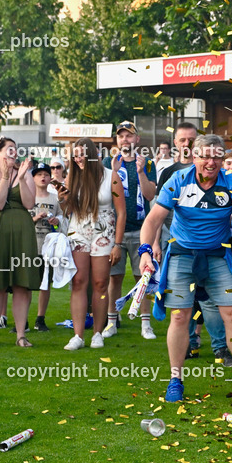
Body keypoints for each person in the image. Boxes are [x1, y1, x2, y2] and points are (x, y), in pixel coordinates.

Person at [138, 134, 232, 402]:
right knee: (179, 317)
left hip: (218, 255)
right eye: (205, 156)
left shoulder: (231, 183)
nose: (211, 162)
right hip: (182, 255)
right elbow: (153, 220)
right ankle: (175, 380)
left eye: (217, 156)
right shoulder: (178, 180)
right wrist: (145, 251)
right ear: (194, 156)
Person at [154, 123, 232, 364]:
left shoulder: (225, 179)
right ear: (176, 143)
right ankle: (188, 345)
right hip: (178, 245)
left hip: (213, 250)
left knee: (212, 302)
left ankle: (221, 347)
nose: (186, 144)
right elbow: (155, 214)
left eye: (191, 139)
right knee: (181, 308)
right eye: (182, 140)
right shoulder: (171, 174)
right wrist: (153, 244)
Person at [57, 139, 124, 350]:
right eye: (75, 155)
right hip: (78, 229)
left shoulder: (111, 177)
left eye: (82, 155)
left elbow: (121, 212)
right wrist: (62, 199)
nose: (78, 159)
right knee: (78, 281)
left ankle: (97, 333)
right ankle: (78, 336)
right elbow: (67, 211)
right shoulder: (72, 177)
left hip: (104, 230)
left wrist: (118, 244)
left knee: (100, 282)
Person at [0, 137, 40, 347]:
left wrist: (21, 178)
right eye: (9, 149)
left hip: (23, 233)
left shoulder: (25, 173)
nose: (14, 153)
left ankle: (21, 334)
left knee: (22, 285)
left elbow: (29, 203)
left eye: (15, 149)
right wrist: (5, 177)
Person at [104, 121, 157, 340]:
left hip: (140, 228)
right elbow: (103, 193)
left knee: (142, 277)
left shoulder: (148, 162)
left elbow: (150, 195)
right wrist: (113, 173)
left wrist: (141, 172)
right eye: (121, 136)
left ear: (137, 139)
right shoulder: (108, 162)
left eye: (129, 136)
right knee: (114, 278)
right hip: (113, 230)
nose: (125, 140)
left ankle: (145, 323)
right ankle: (111, 321)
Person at [29, 162, 64, 332]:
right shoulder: (28, 197)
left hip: (48, 247)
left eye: (46, 174)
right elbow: (21, 221)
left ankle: (40, 318)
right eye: (39, 174)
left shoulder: (55, 198)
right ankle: (23, 320)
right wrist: (35, 218)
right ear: (33, 178)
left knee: (45, 284)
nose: (43, 177)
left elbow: (62, 220)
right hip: (30, 246)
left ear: (50, 178)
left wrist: (56, 221)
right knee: (25, 285)